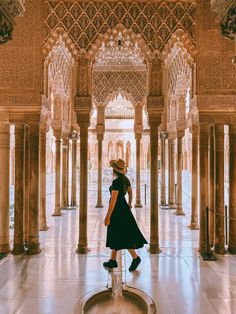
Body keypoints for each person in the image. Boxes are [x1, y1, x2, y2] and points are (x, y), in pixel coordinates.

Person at [103, 159, 147, 271]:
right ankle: (113, 260)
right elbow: (130, 192)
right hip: (124, 209)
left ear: (114, 170)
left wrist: (108, 216)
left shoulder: (116, 182)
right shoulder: (125, 179)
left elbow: (113, 200)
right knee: (118, 233)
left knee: (121, 234)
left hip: (117, 211)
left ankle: (135, 257)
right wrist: (129, 203)